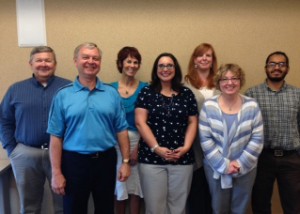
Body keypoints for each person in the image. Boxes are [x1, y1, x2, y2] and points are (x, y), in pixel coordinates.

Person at [47, 42, 131, 214]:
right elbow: (56, 137)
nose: (91, 61)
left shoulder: (111, 93)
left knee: (105, 208)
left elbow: (122, 130)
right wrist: (56, 172)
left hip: (106, 161)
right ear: (75, 61)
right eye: (85, 57)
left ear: (100, 63)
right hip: (74, 163)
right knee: (73, 209)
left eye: (96, 58)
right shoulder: (63, 95)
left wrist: (126, 162)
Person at [0, 46, 71, 214]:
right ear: (31, 64)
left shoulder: (68, 88)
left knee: (65, 202)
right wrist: (12, 149)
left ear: (55, 64)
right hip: (26, 154)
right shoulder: (16, 89)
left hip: (63, 154)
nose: (44, 64)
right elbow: (4, 120)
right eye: (39, 60)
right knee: (29, 206)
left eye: (48, 60)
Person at [135, 52, 198, 214]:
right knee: (155, 208)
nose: (165, 69)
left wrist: (185, 148)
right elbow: (140, 122)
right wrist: (156, 148)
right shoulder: (146, 92)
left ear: (175, 68)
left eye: (169, 65)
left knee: (178, 207)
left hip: (182, 158)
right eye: (161, 66)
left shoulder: (187, 94)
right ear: (156, 69)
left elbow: (193, 122)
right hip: (151, 159)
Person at [199, 63, 264, 214]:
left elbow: (257, 138)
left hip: (246, 167)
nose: (230, 83)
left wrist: (239, 163)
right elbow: (205, 140)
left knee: (240, 208)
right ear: (218, 82)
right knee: (218, 208)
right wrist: (224, 165)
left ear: (240, 81)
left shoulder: (252, 106)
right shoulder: (209, 106)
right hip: (216, 167)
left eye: (234, 78)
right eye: (224, 79)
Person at [245, 51, 300, 214]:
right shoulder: (252, 94)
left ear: (287, 69)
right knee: (260, 204)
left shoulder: (297, 94)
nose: (277, 67)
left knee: (294, 206)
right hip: (262, 158)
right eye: (272, 64)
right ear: (266, 68)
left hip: (291, 159)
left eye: (281, 64)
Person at [111, 46, 147, 214]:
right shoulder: (109, 89)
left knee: (136, 189)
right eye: (128, 61)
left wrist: (138, 149)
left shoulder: (146, 89)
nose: (132, 65)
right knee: (119, 186)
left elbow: (149, 123)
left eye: (136, 62)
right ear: (121, 63)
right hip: (114, 145)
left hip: (138, 142)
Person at [184, 43, 220, 214]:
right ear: (195, 60)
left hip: (218, 142)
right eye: (201, 55)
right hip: (194, 141)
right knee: (197, 190)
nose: (204, 58)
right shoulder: (185, 82)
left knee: (216, 193)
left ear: (213, 60)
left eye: (208, 55)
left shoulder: (221, 82)